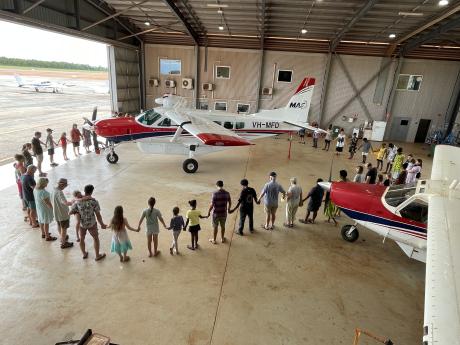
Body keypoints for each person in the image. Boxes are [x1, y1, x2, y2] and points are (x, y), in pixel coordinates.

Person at [70, 184, 107, 261]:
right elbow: (98, 215)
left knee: (82, 239)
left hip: (82, 224)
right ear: (92, 191)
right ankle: (97, 256)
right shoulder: (94, 201)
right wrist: (102, 224)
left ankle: (84, 254)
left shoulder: (77, 202)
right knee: (96, 238)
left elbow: (71, 211)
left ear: (84, 191)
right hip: (92, 224)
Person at [51, 178, 73, 249]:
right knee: (64, 228)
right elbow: (64, 202)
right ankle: (63, 243)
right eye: (65, 185)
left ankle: (62, 237)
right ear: (62, 185)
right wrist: (72, 202)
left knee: (59, 225)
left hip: (56, 212)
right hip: (62, 213)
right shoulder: (59, 192)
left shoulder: (54, 190)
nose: (65, 187)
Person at [34, 177, 57, 241]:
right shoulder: (43, 192)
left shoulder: (35, 189)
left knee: (41, 220)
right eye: (46, 183)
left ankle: (43, 233)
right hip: (44, 209)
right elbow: (47, 203)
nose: (47, 185)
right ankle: (47, 236)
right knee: (46, 222)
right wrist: (53, 209)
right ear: (43, 184)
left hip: (38, 207)